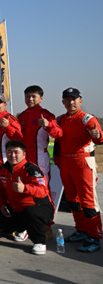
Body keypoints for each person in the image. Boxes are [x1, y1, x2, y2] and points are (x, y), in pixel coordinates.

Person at [56, 87, 103, 252]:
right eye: (67, 99)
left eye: (74, 99)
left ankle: (95, 237)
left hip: (83, 163)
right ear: (63, 102)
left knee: (88, 201)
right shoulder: (60, 119)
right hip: (66, 163)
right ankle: (81, 230)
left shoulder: (87, 119)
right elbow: (57, 142)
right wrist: (58, 161)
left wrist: (98, 136)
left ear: (80, 101)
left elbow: (99, 138)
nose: (71, 102)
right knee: (73, 200)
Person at [0, 140, 54, 255]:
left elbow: (43, 191)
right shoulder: (2, 170)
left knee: (31, 212)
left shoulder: (31, 169)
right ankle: (22, 229)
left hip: (38, 207)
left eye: (16, 152)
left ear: (24, 154)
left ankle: (40, 242)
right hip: (17, 209)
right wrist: (1, 205)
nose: (12, 155)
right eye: (9, 152)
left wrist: (25, 188)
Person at [17, 85, 63, 180]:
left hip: (40, 156)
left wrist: (48, 125)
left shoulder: (46, 115)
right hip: (24, 156)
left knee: (41, 183)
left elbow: (59, 134)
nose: (30, 99)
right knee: (25, 181)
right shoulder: (21, 116)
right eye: (27, 96)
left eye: (33, 96)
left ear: (41, 98)